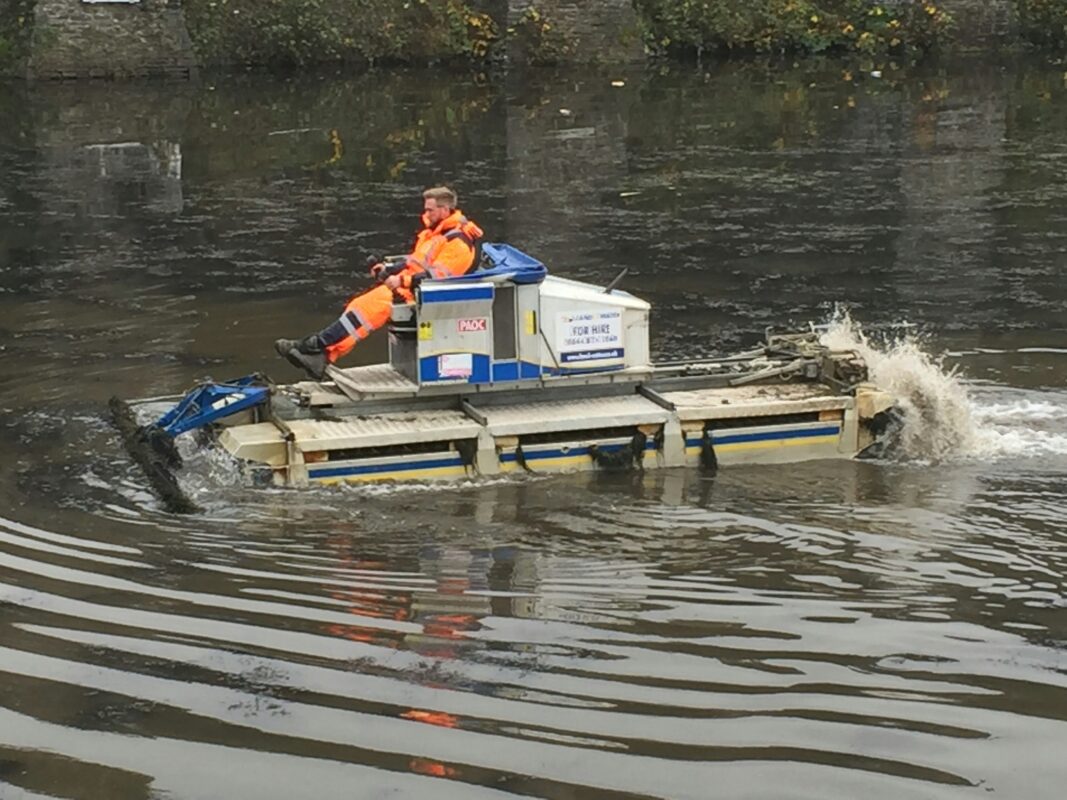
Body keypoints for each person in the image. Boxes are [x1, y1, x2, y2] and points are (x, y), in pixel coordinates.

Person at [274, 186, 484, 380]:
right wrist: (389, 269)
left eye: (430, 210)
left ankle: (313, 346)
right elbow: (415, 261)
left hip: (428, 296)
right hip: (414, 289)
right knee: (358, 306)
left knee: (367, 309)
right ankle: (323, 354)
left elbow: (439, 276)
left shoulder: (458, 243)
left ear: (445, 209)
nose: (425, 215)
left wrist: (401, 279)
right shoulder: (438, 233)